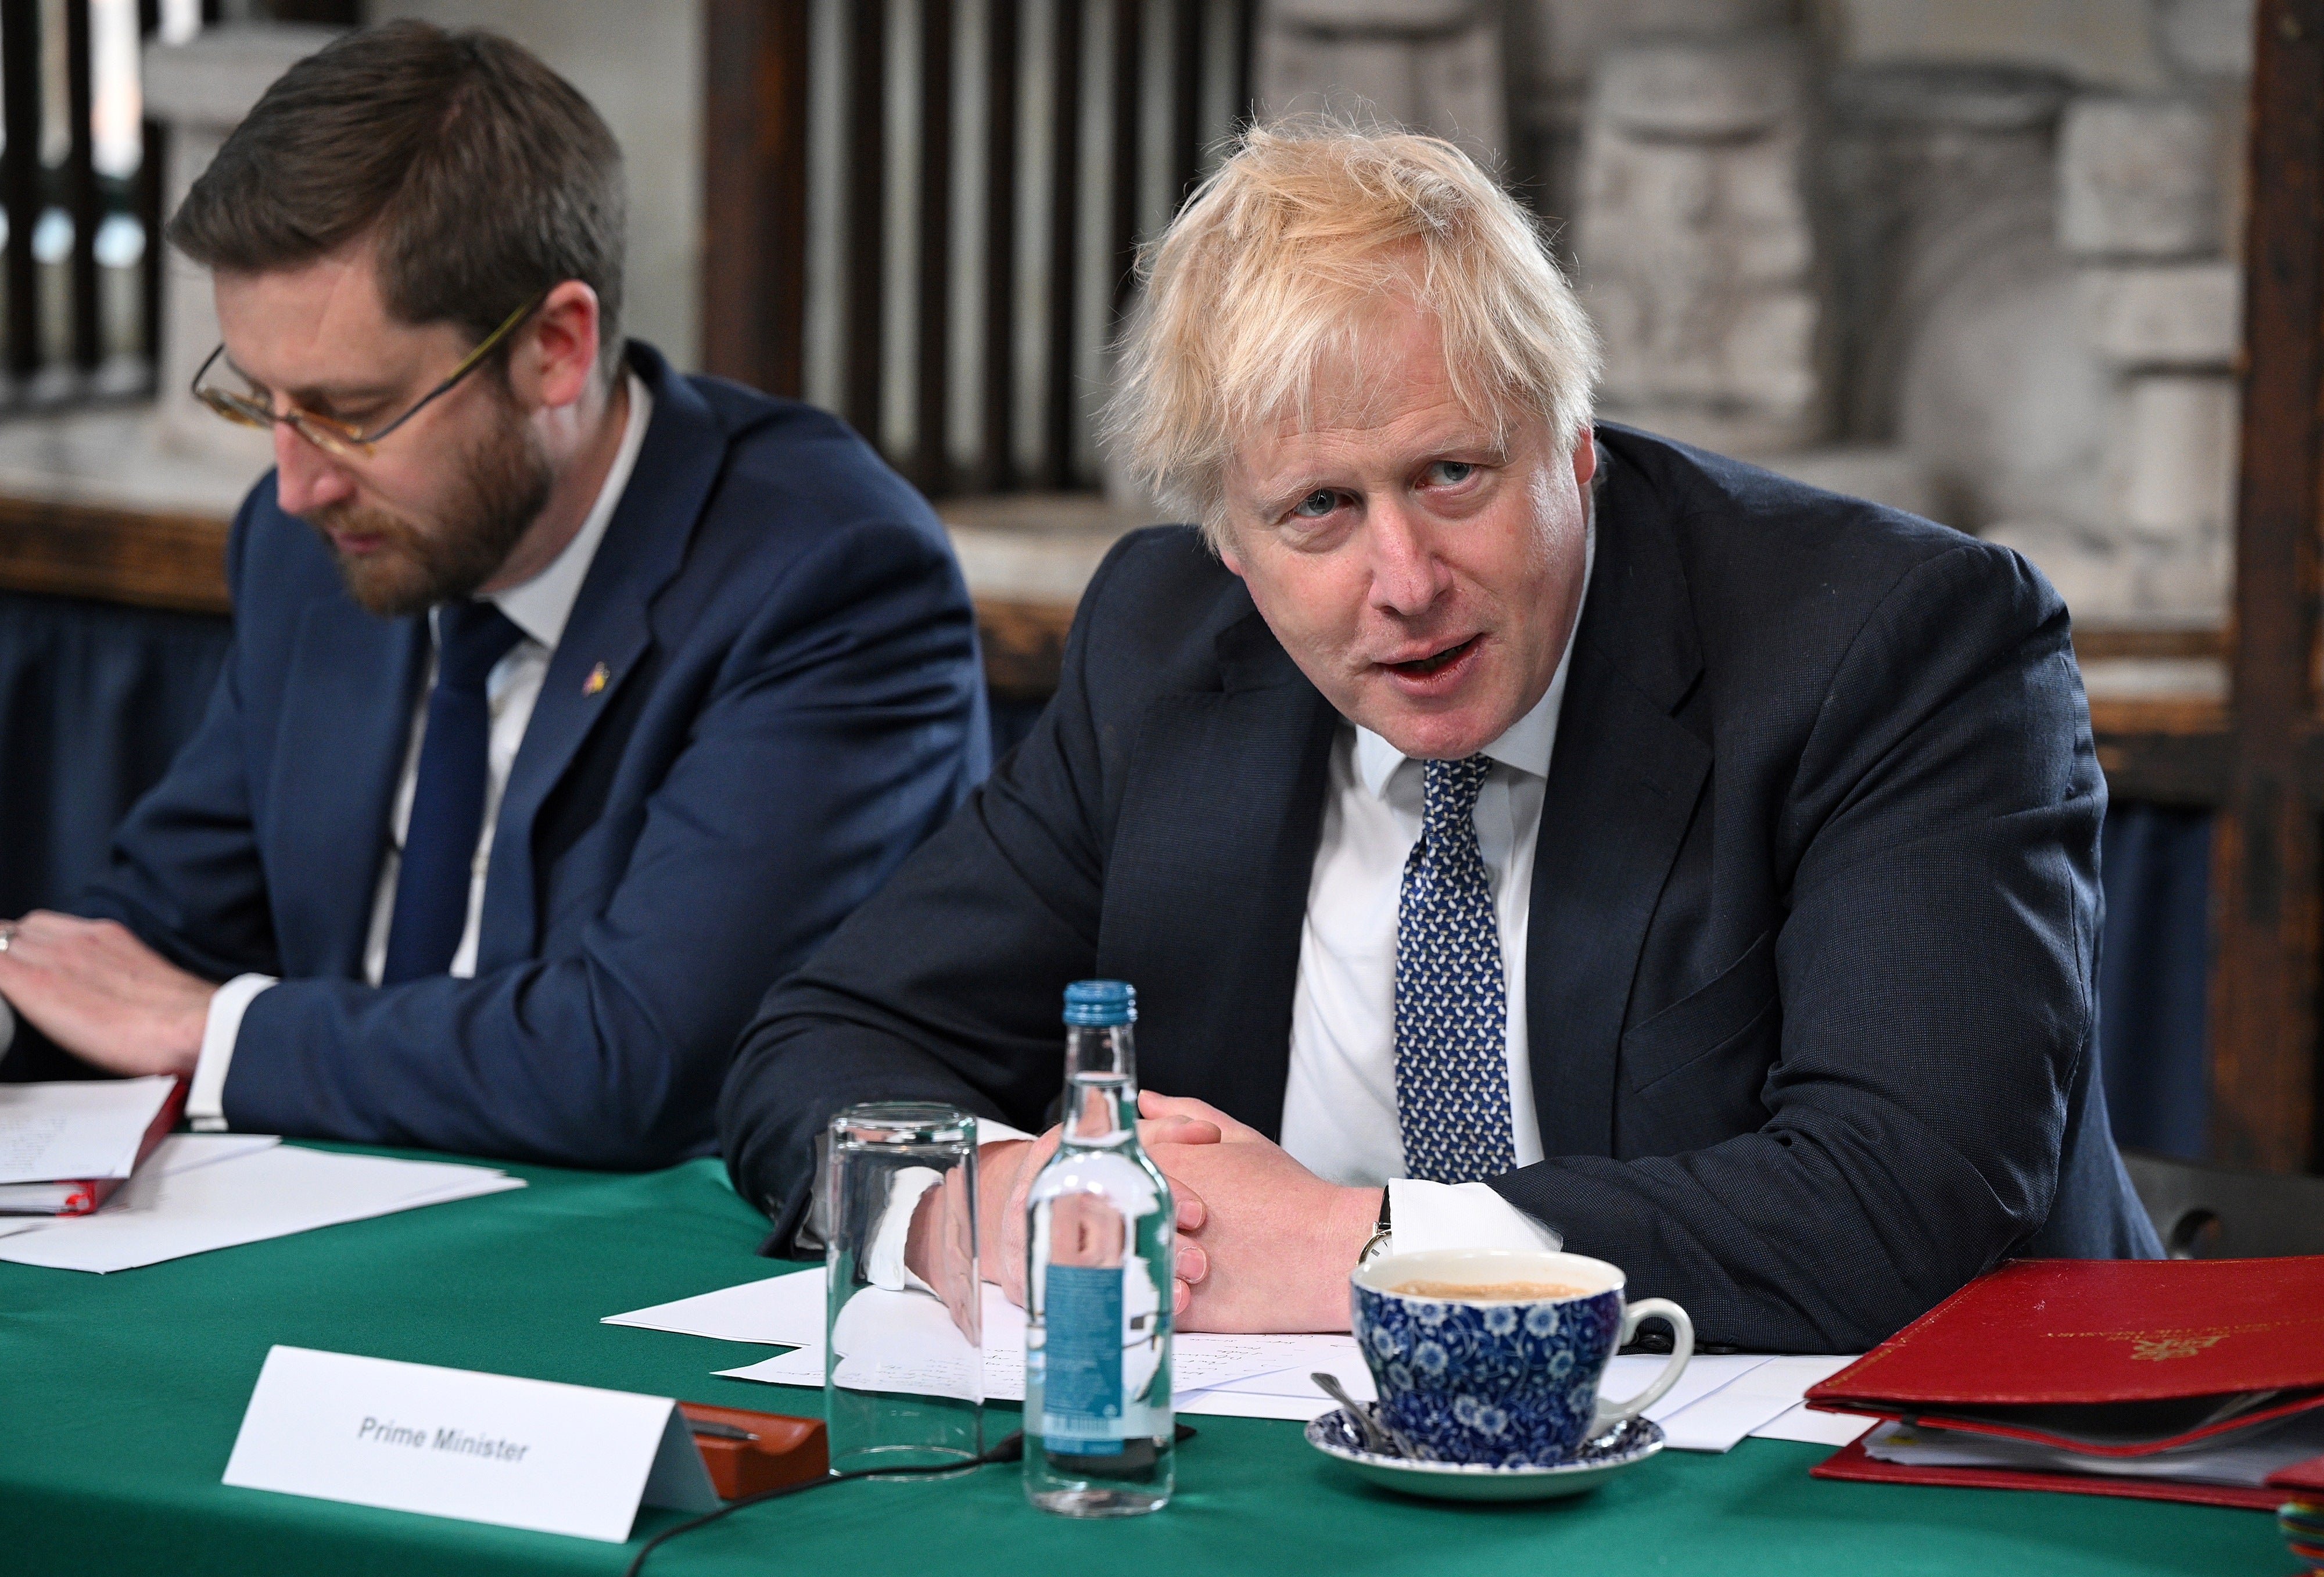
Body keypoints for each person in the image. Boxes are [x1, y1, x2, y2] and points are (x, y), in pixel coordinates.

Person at [715, 123, 2158, 1353]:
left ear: (1574, 441)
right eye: (1316, 512)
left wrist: (1357, 1246)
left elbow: (1901, 1194)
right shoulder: (1161, 649)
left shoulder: (1896, 643)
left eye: (1451, 473)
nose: (1401, 580)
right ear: (1229, 543)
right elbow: (825, 1041)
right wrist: (973, 1206)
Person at [0, 23, 988, 1170]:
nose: (294, 481)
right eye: (258, 400)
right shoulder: (309, 542)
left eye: (349, 409)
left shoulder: (824, 577)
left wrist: (207, 1029)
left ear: (556, 348)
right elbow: (158, 929)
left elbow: (630, 1056)